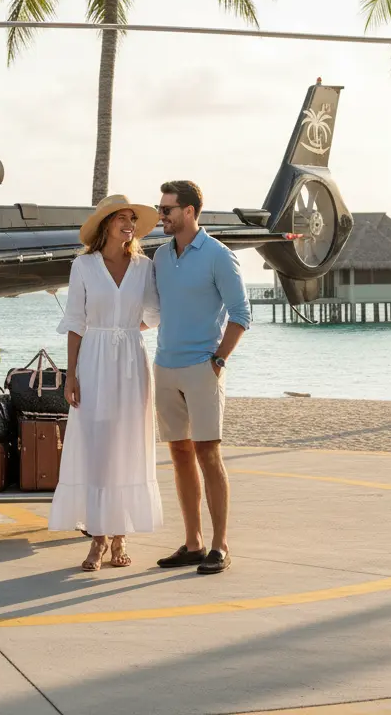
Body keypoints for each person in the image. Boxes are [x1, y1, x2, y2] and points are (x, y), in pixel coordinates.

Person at [50, 194, 163, 571]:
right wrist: (71, 374)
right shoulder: (83, 265)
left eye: (132, 219)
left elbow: (154, 314)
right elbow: (75, 322)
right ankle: (98, 537)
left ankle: (120, 535)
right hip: (93, 361)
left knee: (128, 445)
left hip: (131, 361)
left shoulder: (144, 267)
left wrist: (125, 331)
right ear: (106, 224)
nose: (129, 224)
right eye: (121, 218)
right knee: (98, 447)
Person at [152, 180, 249, 575]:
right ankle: (193, 543)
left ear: (189, 211)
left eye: (167, 209)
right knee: (179, 453)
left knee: (208, 453)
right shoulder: (160, 256)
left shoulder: (219, 256)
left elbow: (241, 314)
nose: (161, 215)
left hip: (202, 368)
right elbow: (154, 310)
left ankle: (220, 545)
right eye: (160, 209)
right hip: (164, 366)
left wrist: (219, 360)